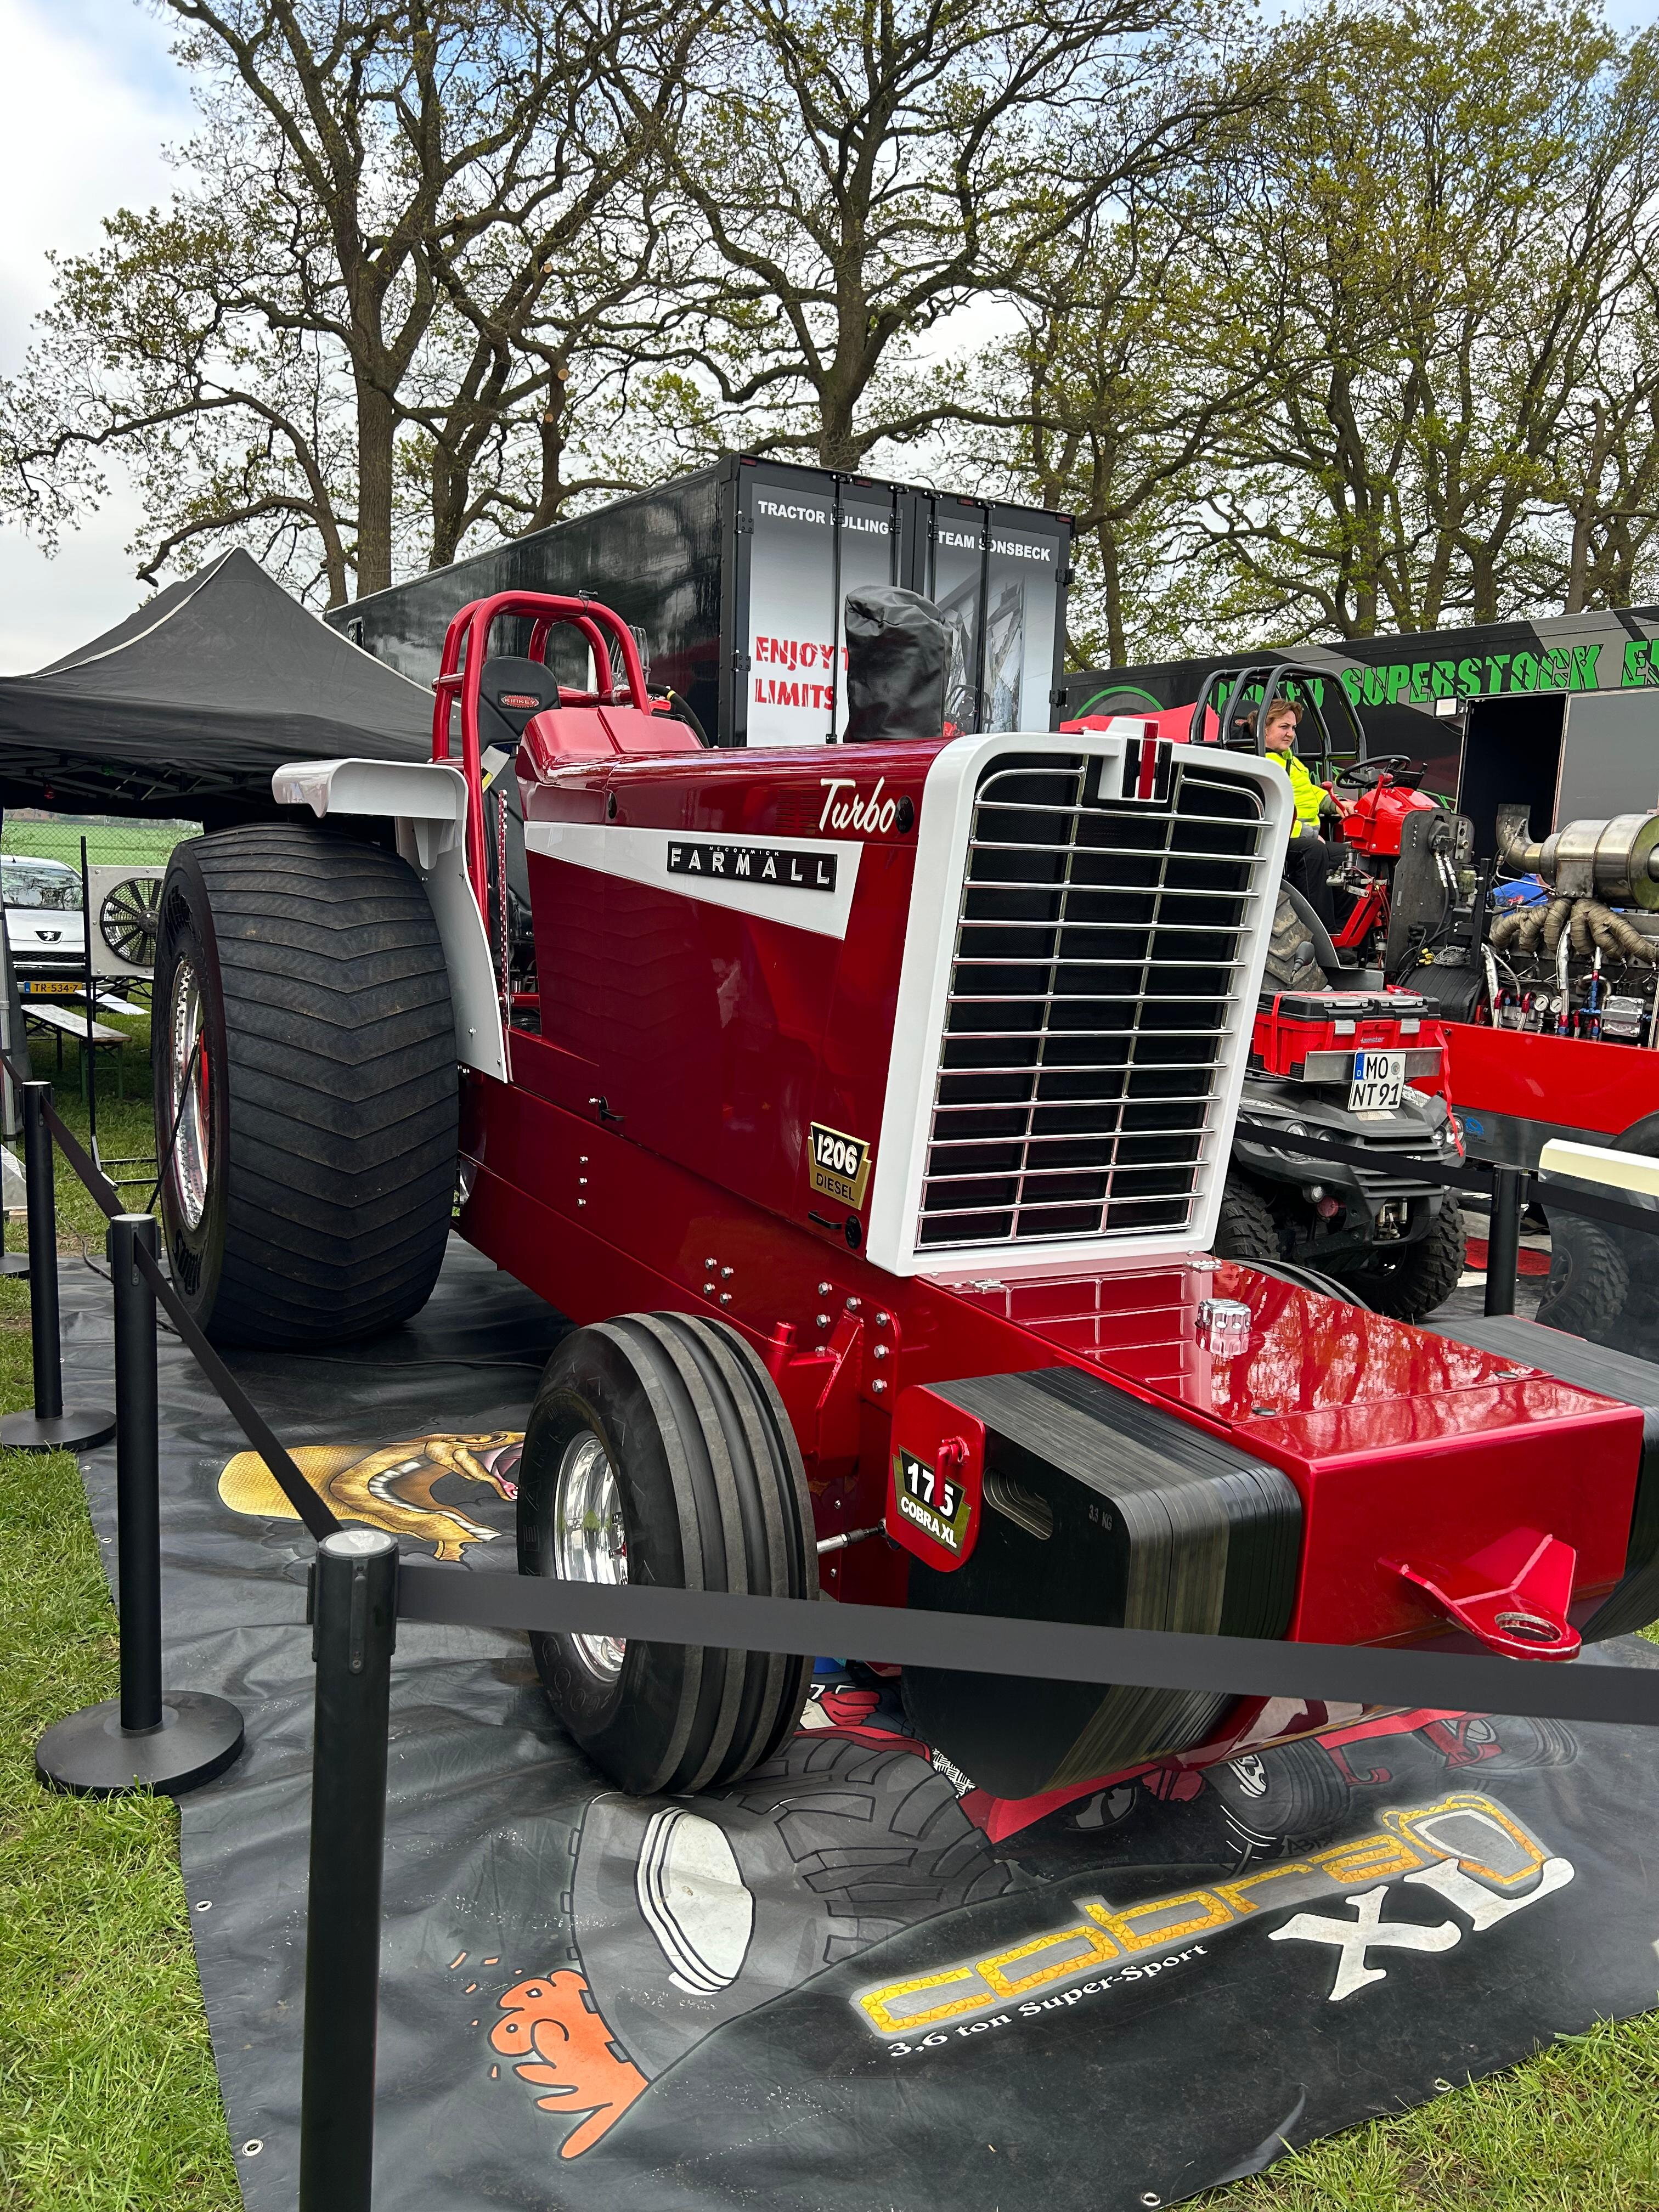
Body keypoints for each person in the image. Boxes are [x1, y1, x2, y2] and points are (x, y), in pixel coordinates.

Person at [1260, 696, 1338, 928]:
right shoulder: (1261, 763)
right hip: (1276, 839)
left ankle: (1347, 930)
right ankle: (1319, 932)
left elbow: (1308, 791)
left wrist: (1336, 803)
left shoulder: (1289, 760)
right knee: (1314, 851)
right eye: (1284, 727)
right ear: (1264, 729)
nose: (1290, 734)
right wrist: (1310, 834)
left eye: (1293, 728)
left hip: (1302, 835)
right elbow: (1268, 811)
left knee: (1349, 856)